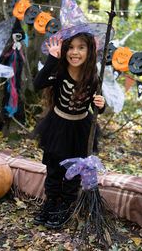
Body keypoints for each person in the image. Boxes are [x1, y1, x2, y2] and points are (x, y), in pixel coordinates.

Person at [33, 31, 106, 229]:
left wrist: (101, 104)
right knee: (54, 167)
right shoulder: (59, 71)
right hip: (57, 125)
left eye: (81, 47)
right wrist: (52, 58)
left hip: (80, 127)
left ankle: (66, 204)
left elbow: (97, 105)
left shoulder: (93, 77)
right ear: (65, 50)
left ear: (90, 51)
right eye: (71, 47)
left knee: (75, 167)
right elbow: (37, 84)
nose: (75, 52)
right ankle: (51, 201)